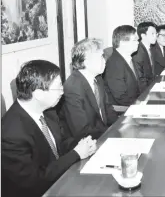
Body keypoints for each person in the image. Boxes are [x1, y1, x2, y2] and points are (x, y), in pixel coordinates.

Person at [1, 60, 97, 197]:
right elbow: (34, 181)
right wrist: (76, 153)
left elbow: (60, 144)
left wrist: (83, 144)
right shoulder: (11, 133)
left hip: (60, 180)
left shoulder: (48, 111)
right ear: (39, 94)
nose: (62, 92)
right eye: (58, 87)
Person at [60, 38, 117, 139]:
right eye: (101, 57)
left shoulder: (97, 79)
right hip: (89, 142)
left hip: (104, 133)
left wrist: (118, 128)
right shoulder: (73, 88)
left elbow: (108, 108)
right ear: (86, 62)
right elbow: (82, 131)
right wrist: (110, 134)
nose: (104, 60)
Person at [103, 25, 140, 106]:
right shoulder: (114, 64)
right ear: (122, 43)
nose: (138, 42)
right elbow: (121, 97)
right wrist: (139, 104)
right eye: (134, 40)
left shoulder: (129, 58)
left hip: (134, 102)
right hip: (122, 109)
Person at [132, 21, 158, 92]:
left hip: (151, 86)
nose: (155, 36)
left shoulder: (150, 48)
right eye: (152, 34)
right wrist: (148, 93)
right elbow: (140, 79)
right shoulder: (137, 52)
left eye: (156, 33)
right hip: (143, 91)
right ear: (143, 35)